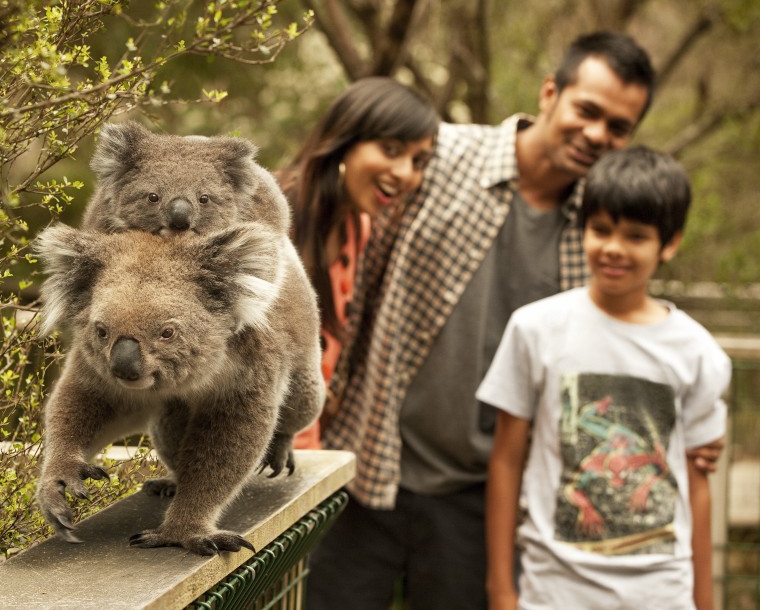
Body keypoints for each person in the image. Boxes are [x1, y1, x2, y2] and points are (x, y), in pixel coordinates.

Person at [306, 32, 722, 609]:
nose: (598, 134)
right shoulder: (439, 155)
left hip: (481, 499)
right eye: (587, 111)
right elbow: (333, 230)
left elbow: (624, 345)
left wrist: (693, 429)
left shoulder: (602, 227)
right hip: (367, 460)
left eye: (619, 127)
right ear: (551, 92)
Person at [478, 146, 729, 610]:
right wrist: (501, 590)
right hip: (553, 589)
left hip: (660, 592)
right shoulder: (535, 329)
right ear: (583, 228)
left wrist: (705, 601)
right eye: (601, 230)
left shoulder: (696, 352)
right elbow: (506, 461)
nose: (613, 248)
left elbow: (697, 484)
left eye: (636, 236)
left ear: (669, 244)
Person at [277, 77, 440, 448]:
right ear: (344, 140)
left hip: (304, 457)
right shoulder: (271, 218)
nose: (405, 173)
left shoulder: (358, 227)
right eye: (391, 149)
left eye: (419, 161)